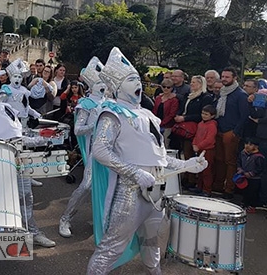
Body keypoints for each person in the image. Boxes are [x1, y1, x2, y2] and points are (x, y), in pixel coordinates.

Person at [87, 47, 207, 274]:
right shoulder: (112, 112)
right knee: (110, 249)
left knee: (152, 245)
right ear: (117, 85)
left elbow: (159, 155)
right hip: (129, 191)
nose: (138, 84)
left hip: (156, 192)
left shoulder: (148, 114)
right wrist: (134, 173)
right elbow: (100, 150)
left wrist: (186, 165)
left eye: (138, 79)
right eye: (131, 79)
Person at [0, 72, 56, 248]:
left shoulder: (6, 107)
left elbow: (18, 137)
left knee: (26, 197)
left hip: (19, 158)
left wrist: (41, 139)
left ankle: (32, 232)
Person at [59, 57, 105, 238]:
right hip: (96, 150)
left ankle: (104, 221)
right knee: (86, 186)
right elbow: (78, 129)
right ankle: (65, 218)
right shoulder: (85, 104)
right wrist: (96, 126)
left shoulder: (110, 103)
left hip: (113, 152)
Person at [213, 67, 249, 199]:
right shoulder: (222, 93)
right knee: (219, 160)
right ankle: (218, 186)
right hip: (219, 130)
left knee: (230, 162)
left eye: (227, 77)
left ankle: (229, 189)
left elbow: (244, 116)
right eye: (223, 76)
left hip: (231, 132)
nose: (224, 79)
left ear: (234, 78)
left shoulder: (241, 94)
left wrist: (235, 132)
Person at [0, 58, 41, 126]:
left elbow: (25, 106)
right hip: (9, 121)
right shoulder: (6, 89)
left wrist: (34, 113)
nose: (17, 78)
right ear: (11, 78)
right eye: (15, 76)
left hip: (23, 121)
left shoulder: (24, 90)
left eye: (19, 77)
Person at [191, 105, 218, 197]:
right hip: (199, 149)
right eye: (203, 113)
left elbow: (210, 139)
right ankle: (199, 187)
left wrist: (199, 146)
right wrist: (194, 144)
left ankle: (207, 190)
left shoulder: (212, 125)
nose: (204, 116)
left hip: (208, 150)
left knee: (207, 170)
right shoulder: (200, 124)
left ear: (212, 116)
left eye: (206, 114)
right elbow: (196, 135)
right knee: (200, 170)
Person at [235, 138, 265, 213]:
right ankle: (244, 203)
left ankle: (252, 206)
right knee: (245, 191)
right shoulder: (242, 153)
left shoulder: (259, 157)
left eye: (250, 145)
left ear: (256, 147)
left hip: (255, 179)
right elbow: (239, 161)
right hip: (244, 176)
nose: (247, 146)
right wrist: (239, 169)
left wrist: (251, 173)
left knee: (253, 192)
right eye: (246, 144)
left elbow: (260, 168)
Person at [153, 78, 179, 143]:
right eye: (164, 87)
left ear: (172, 88)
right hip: (156, 124)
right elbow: (154, 110)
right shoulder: (158, 98)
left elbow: (172, 114)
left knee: (165, 144)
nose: (166, 89)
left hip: (167, 126)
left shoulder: (174, 100)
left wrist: (162, 123)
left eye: (168, 87)